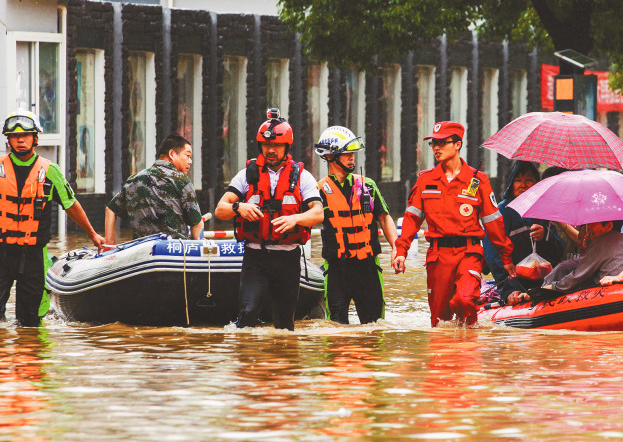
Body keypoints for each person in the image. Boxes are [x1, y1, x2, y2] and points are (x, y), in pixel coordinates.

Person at [0, 110, 105, 326]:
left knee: (30, 323)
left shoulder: (50, 171)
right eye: (15, 136)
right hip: (0, 254)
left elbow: (71, 206)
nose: (20, 140)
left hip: (34, 256)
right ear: (8, 140)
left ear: (35, 138)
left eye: (25, 135)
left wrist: (92, 234)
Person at [393, 120, 515, 326]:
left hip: (469, 253)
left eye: (442, 142)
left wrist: (506, 256)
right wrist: (401, 251)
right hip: (438, 257)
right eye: (433, 143)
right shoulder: (425, 180)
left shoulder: (478, 180)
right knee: (439, 319)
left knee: (464, 300)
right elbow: (412, 219)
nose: (436, 148)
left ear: (457, 144)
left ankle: (468, 344)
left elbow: (493, 222)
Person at [214, 108, 324, 330]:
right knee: (248, 313)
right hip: (256, 258)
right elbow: (220, 210)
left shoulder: (302, 177)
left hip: (288, 259)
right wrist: (238, 207)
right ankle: (246, 350)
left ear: (287, 147)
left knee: (284, 324)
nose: (270, 150)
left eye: (276, 146)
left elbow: (318, 213)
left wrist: (296, 219)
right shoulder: (247, 175)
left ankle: (281, 353)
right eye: (266, 145)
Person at [313, 125, 397, 324]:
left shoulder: (368, 185)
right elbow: (306, 221)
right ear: (330, 156)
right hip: (336, 270)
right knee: (335, 330)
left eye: (353, 153)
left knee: (375, 328)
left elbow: (384, 217)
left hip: (368, 268)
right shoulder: (318, 191)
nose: (352, 158)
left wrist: (396, 248)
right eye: (346, 154)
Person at [484, 160, 565, 305]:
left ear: (537, 184)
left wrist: (546, 236)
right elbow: (493, 255)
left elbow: (559, 252)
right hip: (514, 285)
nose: (523, 185)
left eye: (529, 180)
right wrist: (509, 290)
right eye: (518, 180)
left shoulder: (544, 211)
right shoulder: (503, 211)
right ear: (511, 184)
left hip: (543, 285)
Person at [105, 134, 203, 243]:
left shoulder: (133, 180)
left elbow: (110, 209)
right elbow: (197, 224)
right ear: (172, 154)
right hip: (173, 248)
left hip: (140, 249)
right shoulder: (181, 179)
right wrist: (197, 244)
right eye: (188, 156)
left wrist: (109, 246)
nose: (190, 161)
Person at [531, 220, 623, 297]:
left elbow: (577, 277)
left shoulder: (602, 243)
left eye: (593, 223)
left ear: (608, 226)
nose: (589, 226)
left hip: (613, 295)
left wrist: (551, 287)